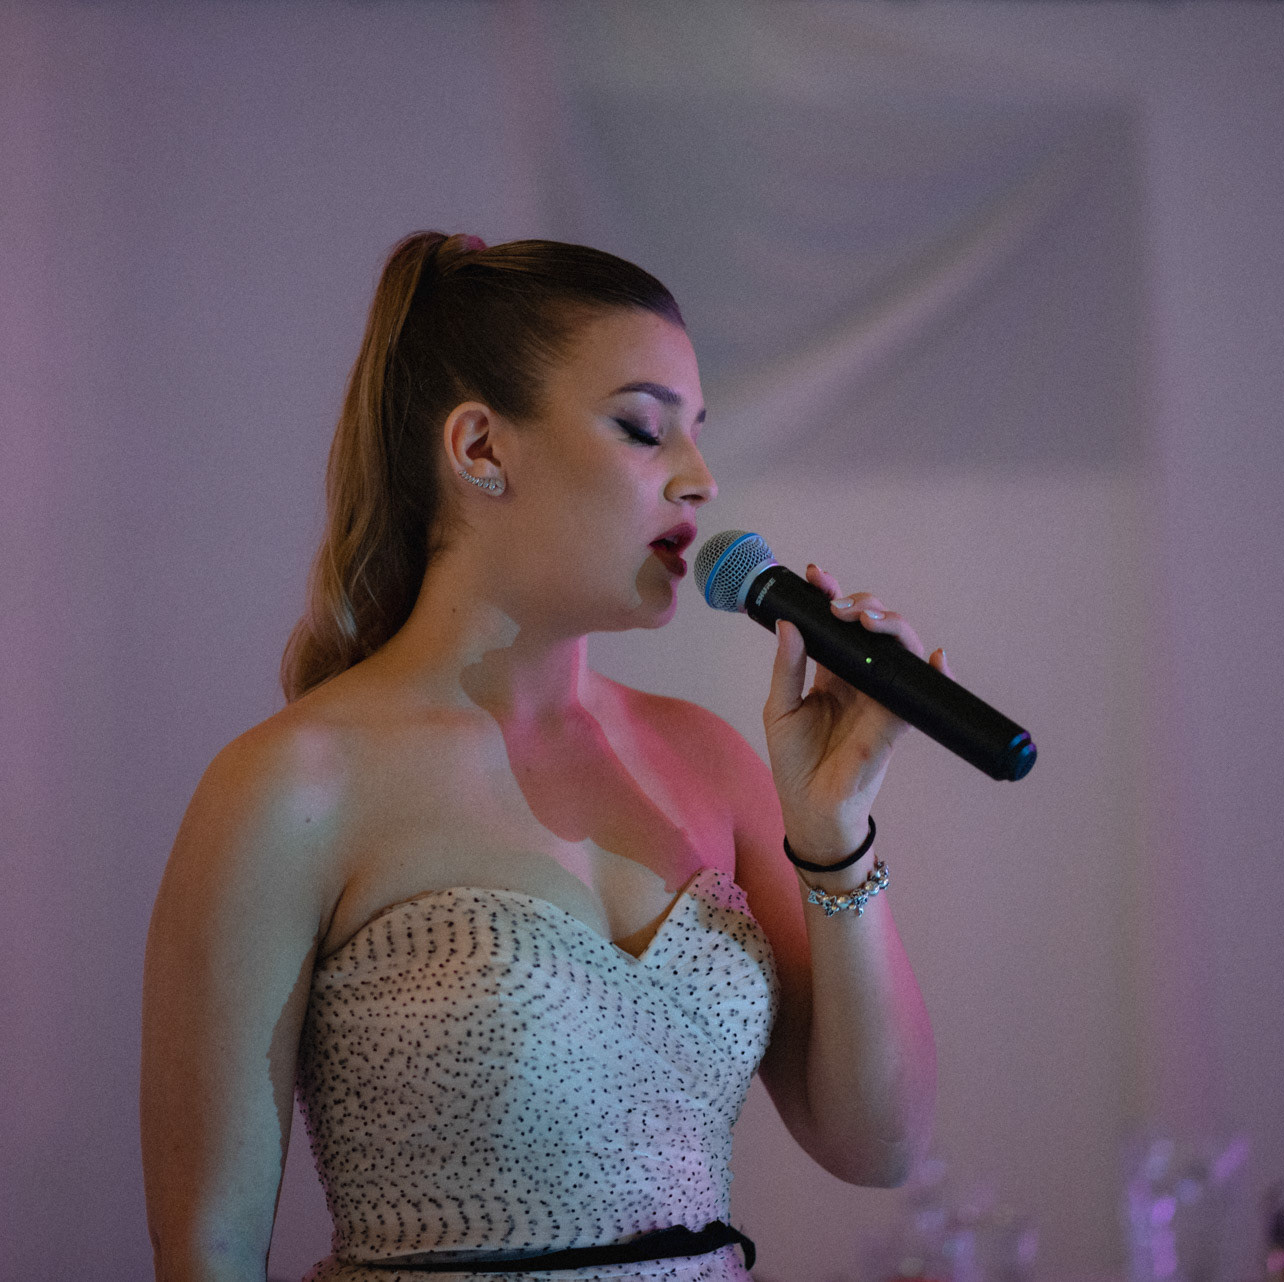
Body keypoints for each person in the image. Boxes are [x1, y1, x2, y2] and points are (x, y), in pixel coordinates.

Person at [140, 232, 940, 1282]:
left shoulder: (709, 761)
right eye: (644, 428)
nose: (700, 480)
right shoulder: (292, 787)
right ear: (480, 448)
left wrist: (835, 831)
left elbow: (881, 1146)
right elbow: (209, 1249)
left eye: (699, 435)